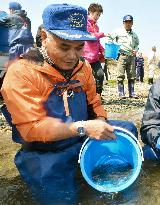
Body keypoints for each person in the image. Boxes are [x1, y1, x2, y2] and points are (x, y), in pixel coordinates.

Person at [1, 4, 137, 205]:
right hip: (44, 151)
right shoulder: (22, 72)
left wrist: (100, 122)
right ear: (44, 36)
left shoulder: (84, 68)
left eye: (79, 47)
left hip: (81, 139)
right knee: (62, 200)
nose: (73, 56)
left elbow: (94, 102)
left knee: (127, 130)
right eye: (64, 47)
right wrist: (83, 127)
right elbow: (31, 128)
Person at [110, 15, 139, 98]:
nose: (128, 24)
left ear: (132, 23)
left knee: (132, 75)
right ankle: (121, 93)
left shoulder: (135, 35)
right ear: (123, 23)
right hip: (121, 56)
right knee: (120, 74)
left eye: (129, 22)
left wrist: (136, 50)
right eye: (126, 22)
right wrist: (114, 48)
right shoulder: (118, 31)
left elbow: (137, 44)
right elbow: (110, 39)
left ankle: (132, 93)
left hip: (131, 56)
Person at [82, 3, 106, 95]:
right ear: (90, 12)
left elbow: (97, 41)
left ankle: (98, 95)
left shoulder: (96, 26)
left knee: (100, 75)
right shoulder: (84, 23)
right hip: (85, 57)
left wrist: (102, 50)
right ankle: (85, 96)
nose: (98, 17)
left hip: (95, 57)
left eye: (99, 15)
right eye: (96, 14)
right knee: (85, 78)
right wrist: (103, 34)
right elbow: (90, 36)